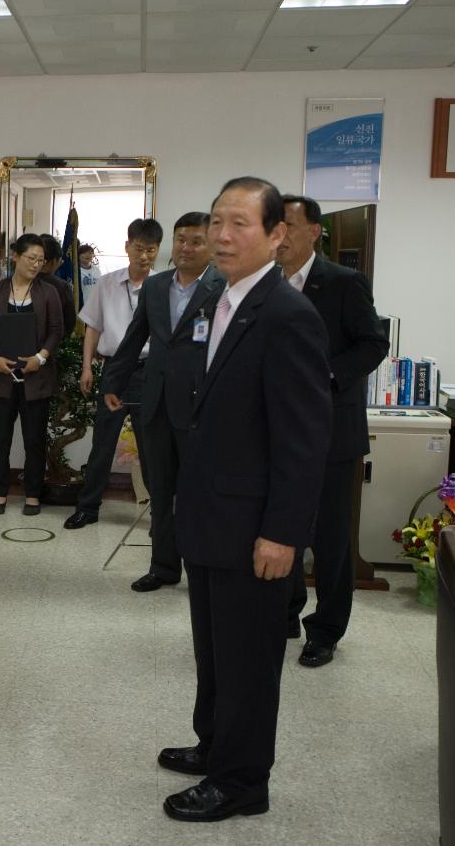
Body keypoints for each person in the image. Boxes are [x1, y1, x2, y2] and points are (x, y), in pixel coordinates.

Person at [160, 177, 330, 822]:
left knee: (250, 659)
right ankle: (214, 745)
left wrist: (283, 533)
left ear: (276, 234)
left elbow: (302, 439)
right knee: (215, 647)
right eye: (216, 222)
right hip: (211, 513)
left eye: (240, 224)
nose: (221, 236)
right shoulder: (223, 299)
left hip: (255, 525)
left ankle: (241, 783)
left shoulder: (287, 316)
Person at [279, 194, 389, 667]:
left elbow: (372, 345)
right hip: (275, 433)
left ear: (313, 232)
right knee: (278, 525)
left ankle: (325, 629)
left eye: (287, 225)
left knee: (330, 537)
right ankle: (282, 613)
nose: (278, 235)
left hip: (330, 431)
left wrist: (326, 376)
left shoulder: (343, 283)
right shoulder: (261, 283)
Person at [102, 212, 224, 592]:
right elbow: (134, 338)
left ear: (211, 245)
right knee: (161, 488)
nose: (186, 248)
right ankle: (163, 567)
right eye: (181, 240)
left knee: (200, 491)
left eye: (196, 241)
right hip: (155, 403)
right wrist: (114, 382)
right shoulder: (155, 287)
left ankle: (203, 567)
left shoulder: (223, 287)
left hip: (200, 407)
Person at [64, 219, 162, 530]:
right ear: (127, 247)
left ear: (157, 251)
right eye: (138, 248)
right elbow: (93, 327)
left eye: (150, 250)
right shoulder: (106, 284)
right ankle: (88, 507)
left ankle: (160, 514)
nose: (143, 256)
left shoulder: (163, 286)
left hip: (149, 371)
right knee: (103, 442)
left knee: (151, 446)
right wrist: (86, 366)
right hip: (114, 370)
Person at [0, 233, 64, 516]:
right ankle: (0, 493)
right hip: (0, 377)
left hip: (36, 378)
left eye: (41, 260)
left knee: (34, 439)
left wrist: (40, 358)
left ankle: (32, 496)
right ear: (16, 256)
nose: (36, 264)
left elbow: (56, 331)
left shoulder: (49, 292)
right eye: (31, 258)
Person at [37, 233, 78, 337]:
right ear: (54, 260)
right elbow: (70, 322)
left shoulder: (21, 281)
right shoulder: (62, 286)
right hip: (54, 344)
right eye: (60, 260)